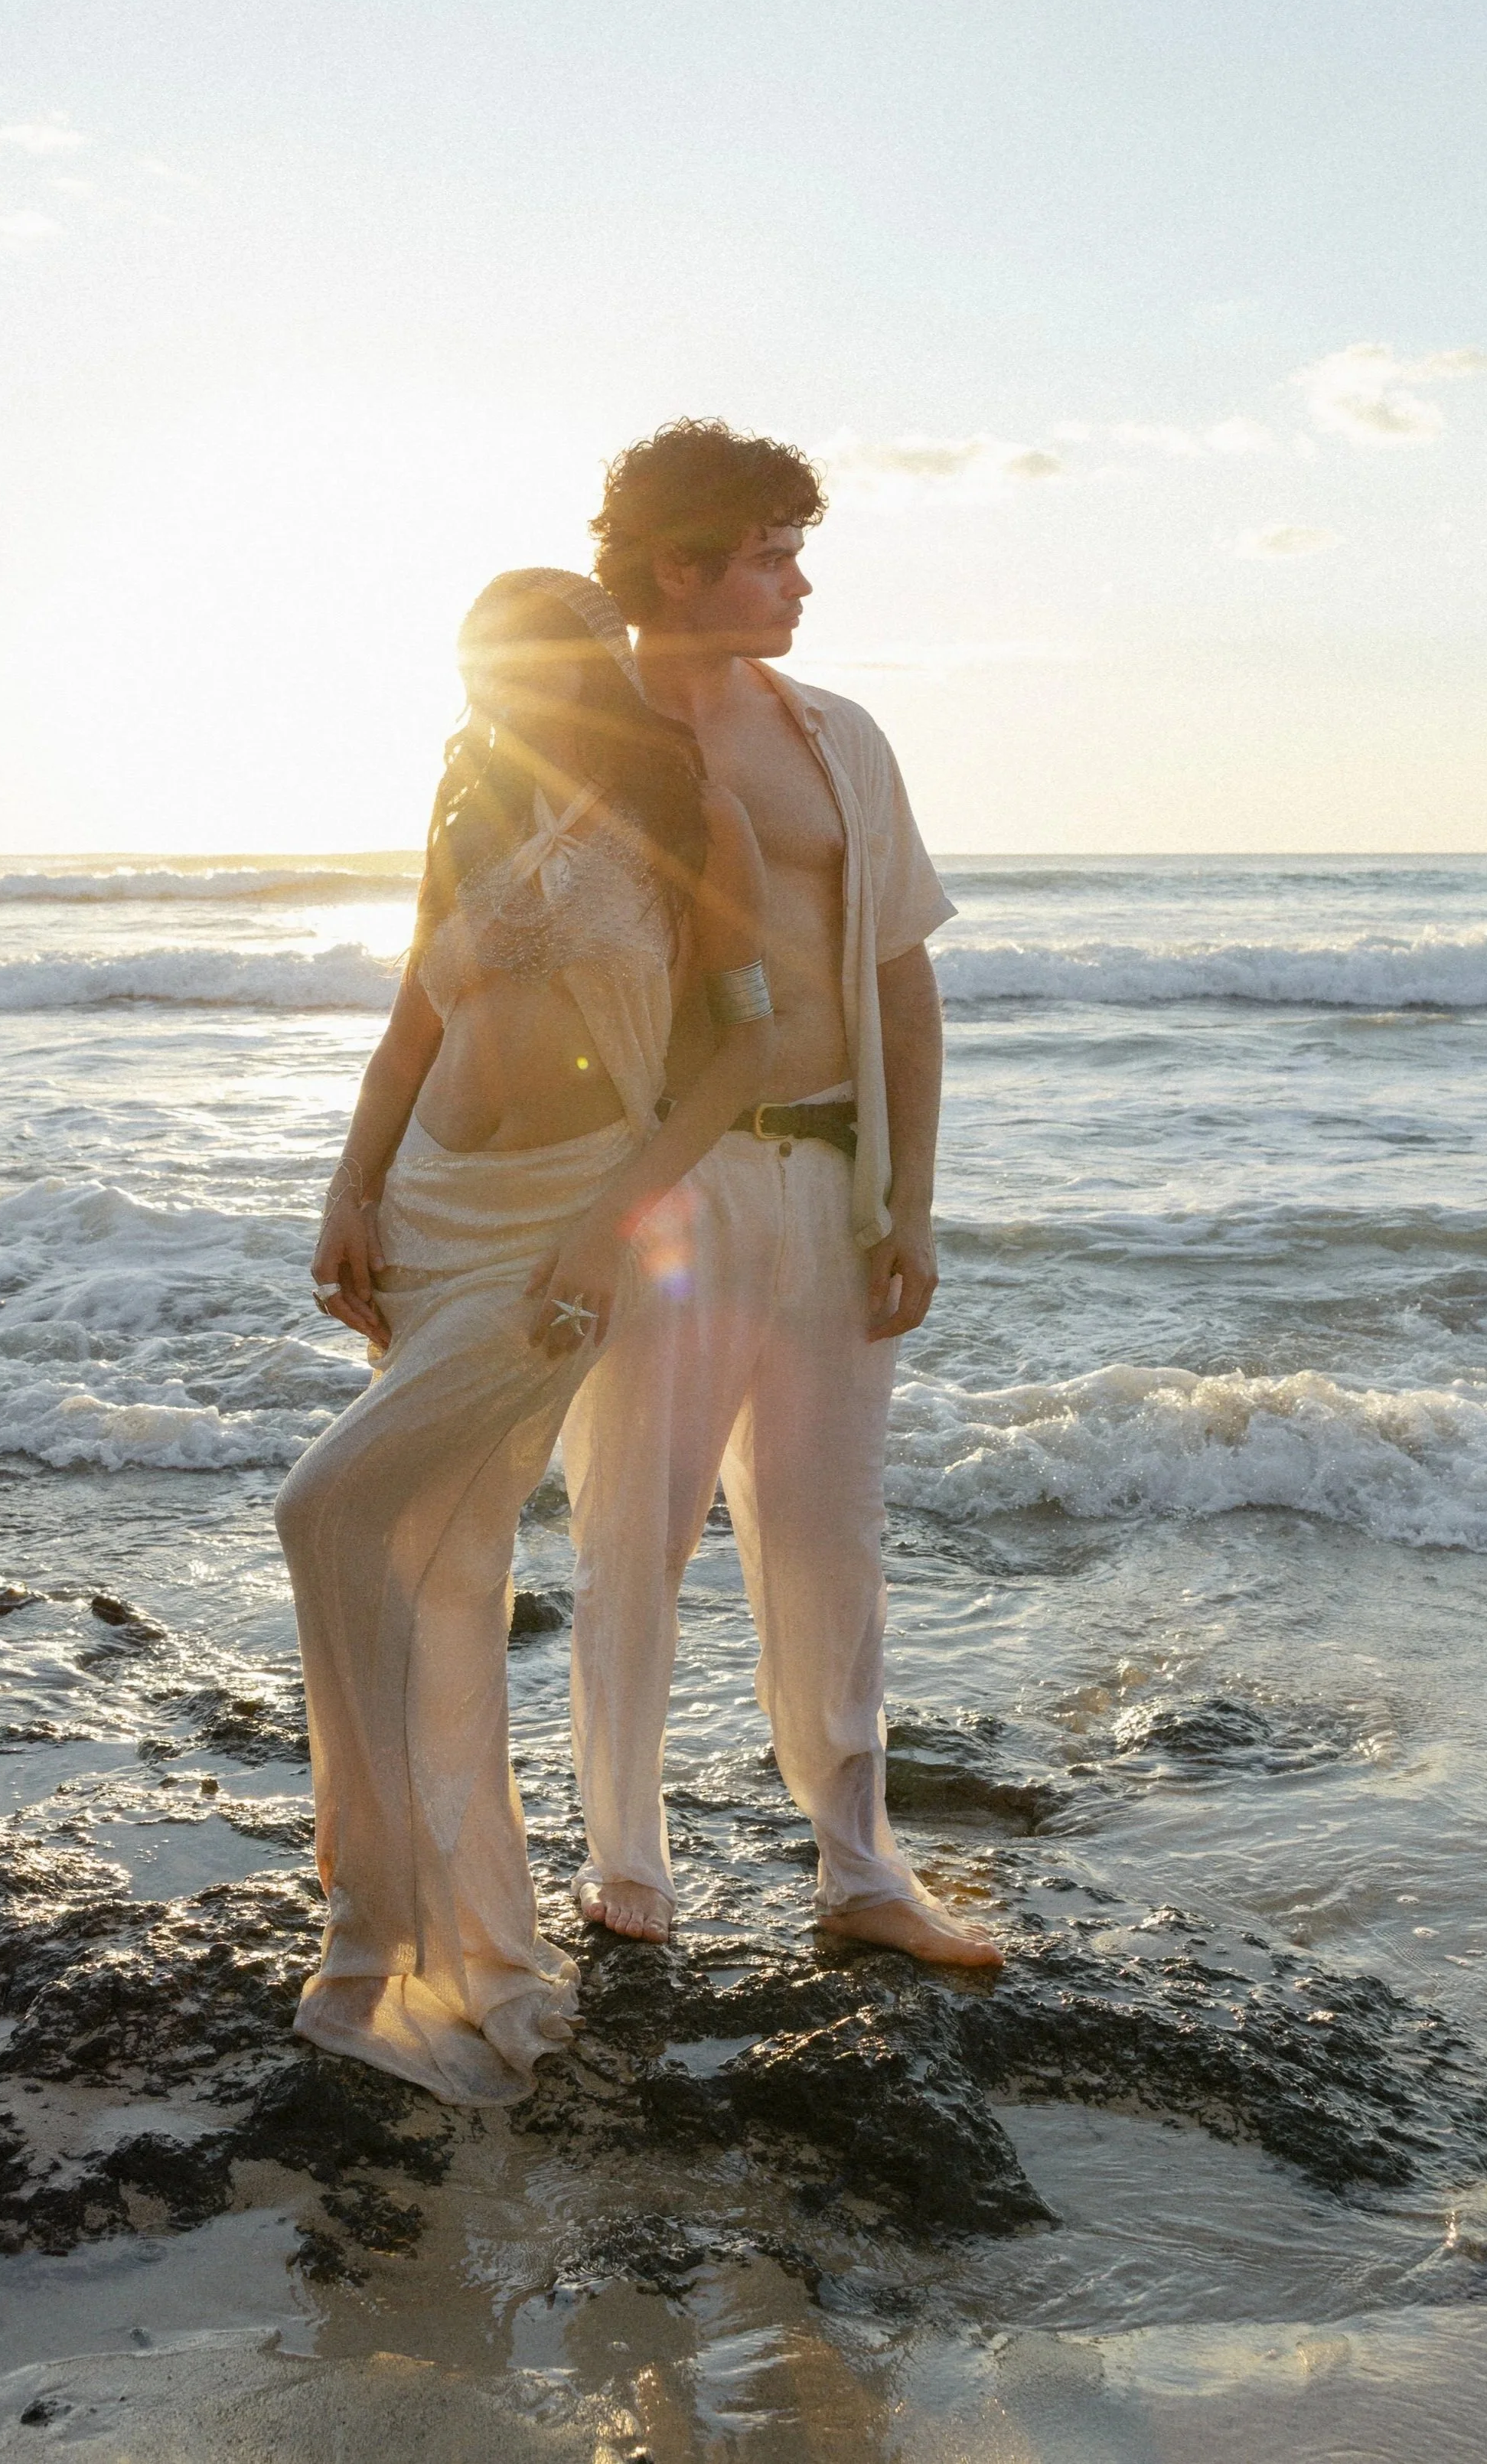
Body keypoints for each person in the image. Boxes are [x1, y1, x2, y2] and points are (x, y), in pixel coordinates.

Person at [274, 568, 770, 2103]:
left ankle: (402, 1909)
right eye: (479, 669)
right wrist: (350, 1189)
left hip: (557, 1227)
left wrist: (610, 1222)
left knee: (328, 1508)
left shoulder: (687, 810)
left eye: (529, 664)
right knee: (442, 1564)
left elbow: (747, 1046)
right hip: (428, 1214)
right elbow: (408, 1031)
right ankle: (423, 1930)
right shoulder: (468, 811)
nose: (501, 694)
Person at [563, 423, 1004, 1970]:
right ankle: (626, 1862)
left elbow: (900, 981)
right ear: (679, 562)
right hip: (661, 1199)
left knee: (828, 1537)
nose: (797, 582)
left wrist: (911, 1201)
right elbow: (479, 978)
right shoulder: (573, 732)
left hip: (828, 1173)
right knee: (637, 1530)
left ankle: (860, 1866)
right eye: (767, 553)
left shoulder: (837, 736)